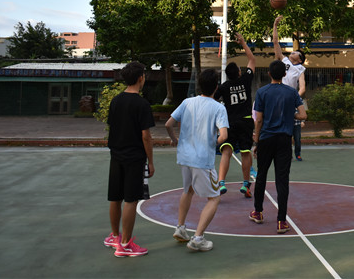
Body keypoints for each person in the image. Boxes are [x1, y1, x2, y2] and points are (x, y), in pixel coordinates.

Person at [164, 69, 228, 252]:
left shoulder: (187, 102)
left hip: (184, 157)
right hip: (202, 159)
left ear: (199, 85)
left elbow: (168, 124)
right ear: (216, 87)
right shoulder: (218, 108)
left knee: (188, 190)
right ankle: (198, 238)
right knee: (214, 198)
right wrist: (212, 142)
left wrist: (175, 140)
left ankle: (180, 227)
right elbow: (224, 136)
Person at [104, 61, 155, 257]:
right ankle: (125, 245)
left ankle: (115, 236)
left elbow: (113, 126)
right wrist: (150, 161)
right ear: (140, 78)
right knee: (131, 199)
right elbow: (146, 136)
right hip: (134, 157)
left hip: (116, 155)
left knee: (115, 197)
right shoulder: (142, 104)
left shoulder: (116, 101)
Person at [249, 60, 306, 234]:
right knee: (282, 180)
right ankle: (281, 221)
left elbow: (259, 119)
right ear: (284, 74)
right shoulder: (292, 92)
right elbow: (303, 115)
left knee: (261, 176)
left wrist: (257, 141)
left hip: (266, 138)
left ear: (269, 74)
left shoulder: (262, 92)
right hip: (284, 140)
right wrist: (291, 114)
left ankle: (258, 212)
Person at [214, 33, 256, 197]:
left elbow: (213, 100)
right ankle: (245, 185)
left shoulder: (224, 87)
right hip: (245, 121)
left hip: (230, 122)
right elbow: (252, 60)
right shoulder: (245, 79)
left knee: (226, 151)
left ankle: (221, 183)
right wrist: (243, 43)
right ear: (239, 72)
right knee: (245, 152)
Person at [272, 15, 306, 161]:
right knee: (279, 128)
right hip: (277, 96)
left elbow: (302, 88)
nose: (293, 51)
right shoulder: (284, 60)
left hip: (288, 99)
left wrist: (293, 99)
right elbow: (275, 42)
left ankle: (295, 152)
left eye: (296, 52)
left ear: (300, 59)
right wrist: (275, 25)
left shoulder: (300, 69)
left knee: (293, 130)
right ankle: (280, 151)